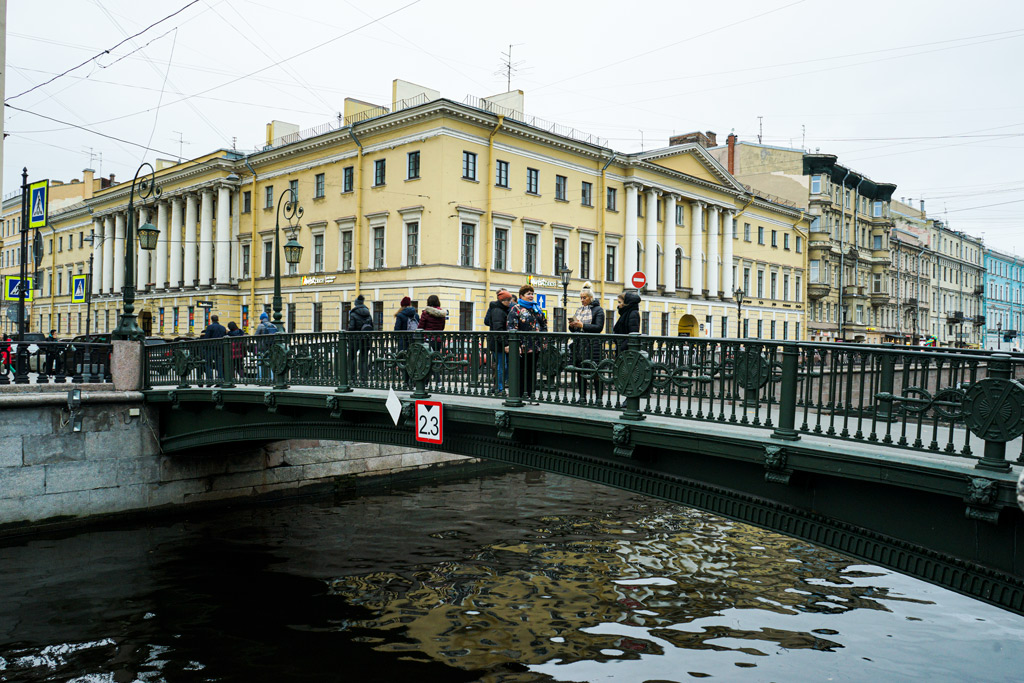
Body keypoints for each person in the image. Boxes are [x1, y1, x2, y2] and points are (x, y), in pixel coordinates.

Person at [506, 284, 547, 404]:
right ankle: (520, 394)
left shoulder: (536, 309)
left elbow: (543, 324)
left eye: (532, 293)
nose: (531, 296)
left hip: (535, 346)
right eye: (528, 294)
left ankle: (530, 394)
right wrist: (516, 344)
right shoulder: (516, 309)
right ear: (521, 296)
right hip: (522, 346)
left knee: (532, 370)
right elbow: (511, 326)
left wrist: (543, 339)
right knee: (521, 370)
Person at [568, 282, 605, 402]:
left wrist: (582, 325)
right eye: (581, 298)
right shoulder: (580, 310)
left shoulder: (598, 310)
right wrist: (573, 325)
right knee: (580, 371)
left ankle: (598, 398)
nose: (582, 300)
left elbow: (598, 327)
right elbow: (574, 329)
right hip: (580, 345)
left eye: (584, 298)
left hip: (594, 345)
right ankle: (582, 396)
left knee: (596, 372)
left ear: (591, 298)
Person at [484, 289, 512, 392]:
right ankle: (500, 388)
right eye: (508, 300)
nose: (509, 302)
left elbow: (487, 322)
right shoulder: (498, 311)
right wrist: (505, 344)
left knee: (501, 365)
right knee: (501, 365)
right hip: (498, 342)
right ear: (502, 300)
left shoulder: (499, 309)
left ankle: (498, 387)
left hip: (498, 341)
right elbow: (498, 329)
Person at [347, 295, 374, 381]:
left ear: (356, 304)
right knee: (364, 359)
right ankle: (364, 378)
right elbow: (372, 326)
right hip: (366, 339)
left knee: (351, 357)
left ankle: (352, 377)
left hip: (355, 339)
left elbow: (351, 327)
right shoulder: (368, 313)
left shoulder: (353, 313)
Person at [200, 314, 228, 382]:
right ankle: (221, 380)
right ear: (218, 319)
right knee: (219, 365)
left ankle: (210, 380)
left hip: (210, 348)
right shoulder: (223, 328)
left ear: (211, 320)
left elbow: (207, 338)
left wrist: (204, 347)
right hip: (219, 348)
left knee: (208, 364)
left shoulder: (210, 327)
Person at [254, 312, 278, 380]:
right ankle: (271, 378)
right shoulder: (273, 326)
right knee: (270, 363)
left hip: (261, 348)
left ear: (261, 319)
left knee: (259, 363)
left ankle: (259, 378)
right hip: (270, 348)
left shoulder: (260, 326)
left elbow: (255, 336)